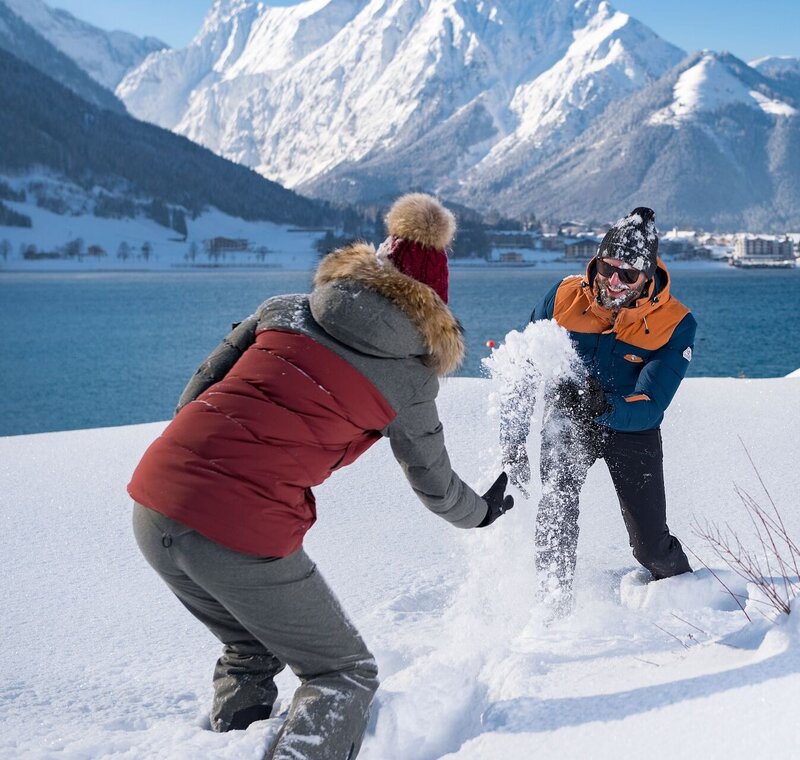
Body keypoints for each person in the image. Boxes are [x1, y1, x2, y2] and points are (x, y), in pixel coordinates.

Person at [128, 193, 513, 760]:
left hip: (154, 497)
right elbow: (435, 487)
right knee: (343, 672)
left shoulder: (283, 309)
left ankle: (229, 744)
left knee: (251, 648)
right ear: (432, 307)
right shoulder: (409, 380)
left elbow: (196, 395)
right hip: (241, 527)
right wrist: (480, 512)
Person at [500, 206, 694, 614]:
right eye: (608, 267)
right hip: (568, 420)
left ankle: (685, 596)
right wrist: (513, 438)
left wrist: (603, 406)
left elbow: (651, 405)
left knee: (650, 546)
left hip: (632, 429)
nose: (614, 281)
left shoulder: (675, 323)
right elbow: (523, 365)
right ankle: (552, 605)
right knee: (556, 508)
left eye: (628, 274)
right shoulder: (563, 296)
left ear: (647, 275)